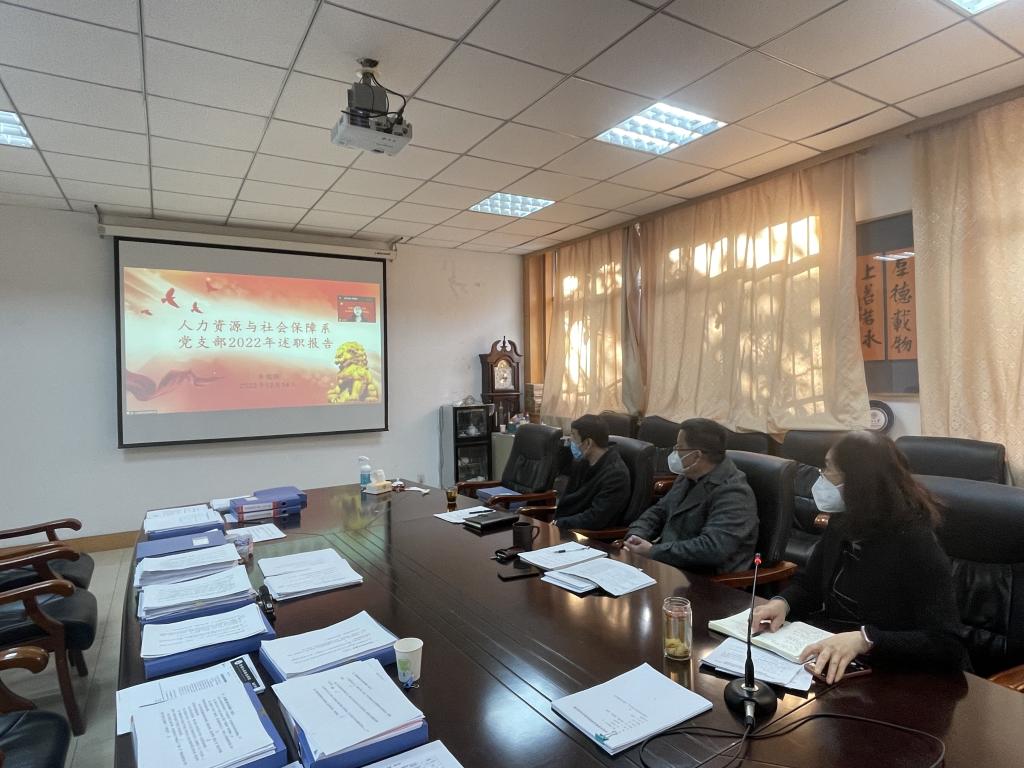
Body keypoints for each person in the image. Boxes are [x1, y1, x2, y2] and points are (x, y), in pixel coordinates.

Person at [752, 431, 967, 683]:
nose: (820, 477)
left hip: (899, 675)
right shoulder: (844, 521)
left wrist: (867, 639)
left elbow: (946, 644)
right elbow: (810, 585)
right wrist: (782, 603)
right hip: (839, 661)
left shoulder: (914, 541)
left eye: (828, 469)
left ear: (858, 481)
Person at [623, 418, 757, 574]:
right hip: (670, 566)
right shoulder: (689, 475)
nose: (674, 453)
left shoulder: (734, 493)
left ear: (696, 455)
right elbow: (659, 512)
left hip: (707, 578)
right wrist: (636, 535)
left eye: (679, 448)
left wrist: (653, 551)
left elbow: (712, 549)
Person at [552, 414, 630, 531]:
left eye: (574, 436)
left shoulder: (616, 475)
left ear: (588, 443)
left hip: (586, 536)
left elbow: (596, 518)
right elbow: (561, 470)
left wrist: (558, 523)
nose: (571, 441)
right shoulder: (584, 461)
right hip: (566, 526)